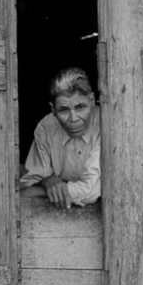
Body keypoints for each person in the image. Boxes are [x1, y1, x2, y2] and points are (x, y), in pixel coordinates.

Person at [19, 67, 101, 209]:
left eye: (80, 107)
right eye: (63, 110)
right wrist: (48, 181)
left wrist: (44, 188)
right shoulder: (46, 128)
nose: (73, 118)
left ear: (92, 101)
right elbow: (28, 182)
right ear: (53, 110)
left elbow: (91, 191)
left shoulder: (106, 125)